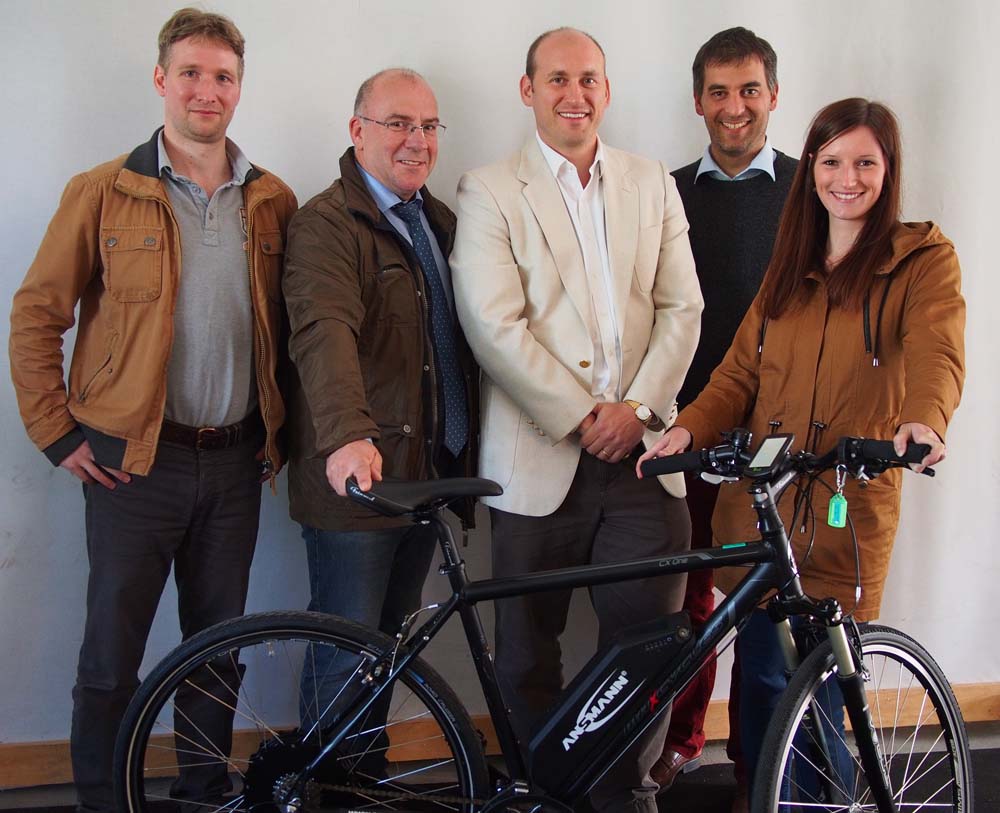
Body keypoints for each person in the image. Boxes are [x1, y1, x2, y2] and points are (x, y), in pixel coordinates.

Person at [7, 8, 297, 811]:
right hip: (133, 465)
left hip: (236, 464)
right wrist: (55, 430)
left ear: (240, 87)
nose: (208, 90)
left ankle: (204, 793)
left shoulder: (271, 200)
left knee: (217, 651)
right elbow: (36, 315)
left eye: (223, 76)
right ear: (162, 80)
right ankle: (104, 799)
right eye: (192, 73)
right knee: (111, 658)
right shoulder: (103, 191)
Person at [638, 97, 965, 794]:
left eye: (865, 163)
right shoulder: (790, 267)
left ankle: (823, 802)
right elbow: (738, 374)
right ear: (811, 168)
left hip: (847, 511)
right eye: (832, 161)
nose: (848, 179)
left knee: (823, 694)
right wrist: (686, 429)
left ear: (889, 169)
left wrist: (924, 420)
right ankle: (767, 797)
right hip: (767, 511)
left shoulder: (921, 260)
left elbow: (937, 350)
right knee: (763, 681)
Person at [451, 27, 703, 812]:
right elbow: (493, 326)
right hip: (537, 461)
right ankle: (546, 795)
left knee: (646, 653)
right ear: (528, 90)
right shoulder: (489, 189)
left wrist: (640, 410)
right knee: (527, 654)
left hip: (643, 462)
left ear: (608, 89)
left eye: (589, 78)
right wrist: (585, 415)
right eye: (557, 78)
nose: (575, 94)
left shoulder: (650, 181)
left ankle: (626, 797)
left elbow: (683, 306)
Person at [282, 68, 477, 731]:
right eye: (398, 123)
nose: (416, 140)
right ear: (357, 130)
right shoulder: (326, 224)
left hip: (422, 478)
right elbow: (323, 331)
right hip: (358, 483)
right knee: (347, 653)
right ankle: (321, 780)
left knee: (389, 652)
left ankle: (364, 776)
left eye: (428, 125)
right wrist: (347, 434)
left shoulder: (440, 223)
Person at [652, 27, 796, 811]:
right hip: (689, 431)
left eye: (748, 90)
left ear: (772, 95)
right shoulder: (665, 192)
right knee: (689, 600)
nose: (733, 107)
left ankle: (755, 770)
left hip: (778, 443)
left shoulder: (812, 189)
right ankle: (679, 741)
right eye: (718, 92)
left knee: (765, 609)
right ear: (697, 101)